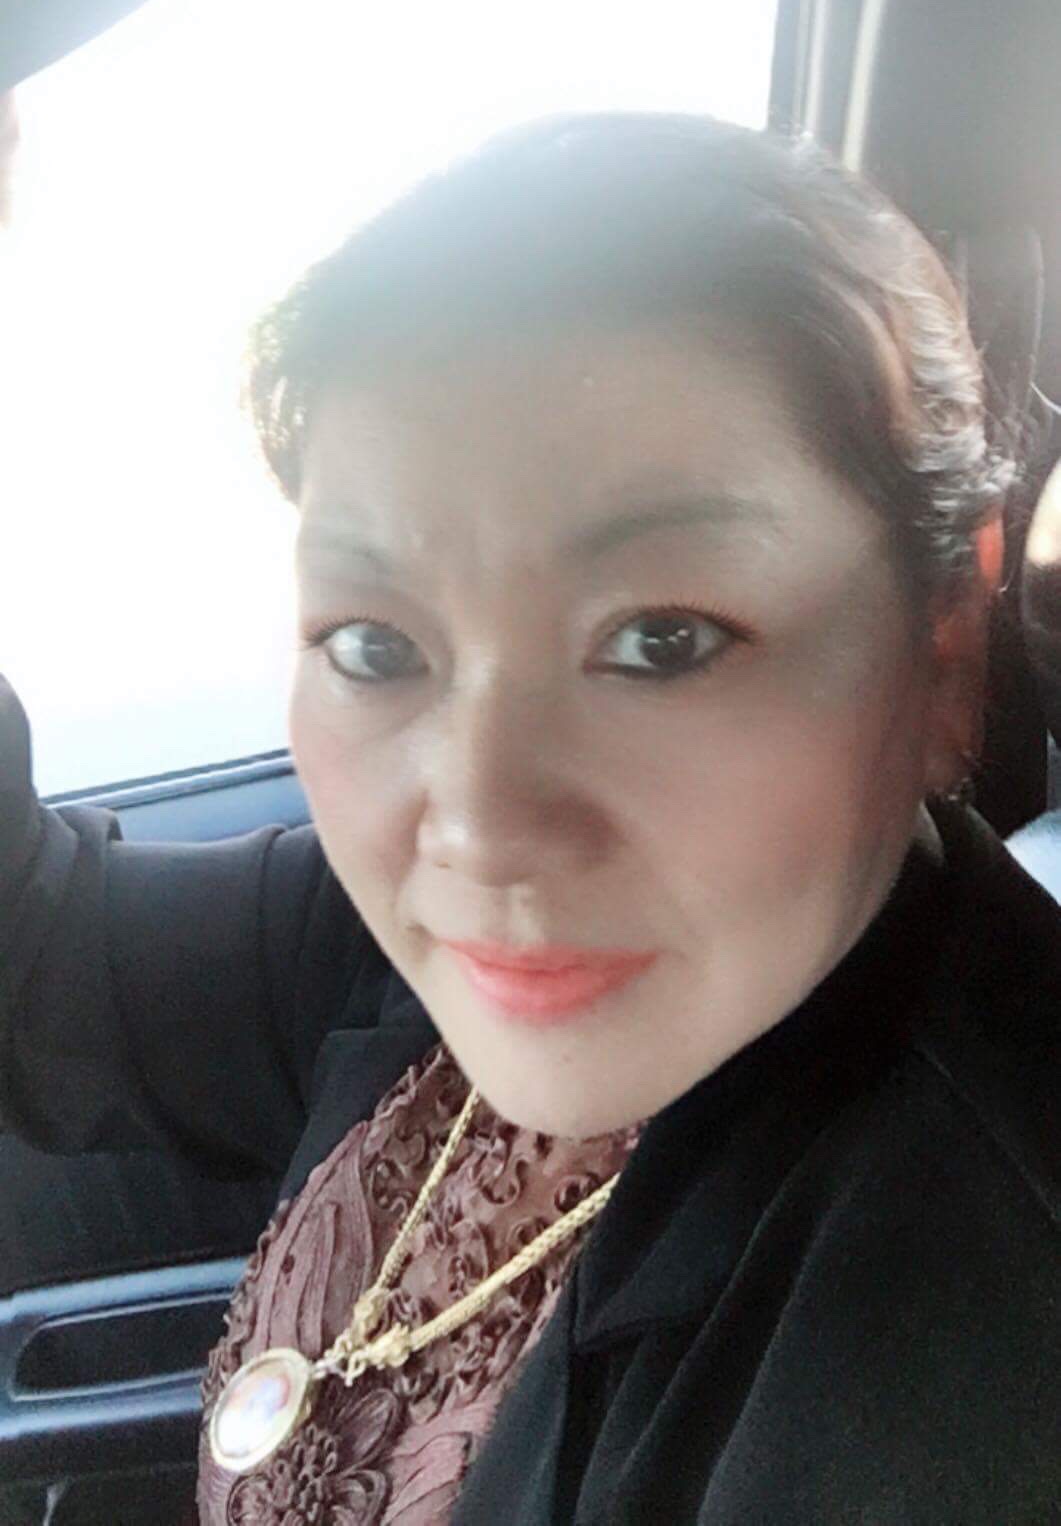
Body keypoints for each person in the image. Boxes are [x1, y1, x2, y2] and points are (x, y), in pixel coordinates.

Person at [2, 113, 1059, 1524]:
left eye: (663, 640)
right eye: (376, 644)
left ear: (943, 642)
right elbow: (37, 959)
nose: (479, 826)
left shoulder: (971, 1355)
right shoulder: (407, 951)